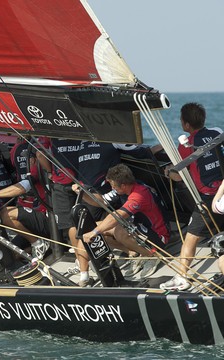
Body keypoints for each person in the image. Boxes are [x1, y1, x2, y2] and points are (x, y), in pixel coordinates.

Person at [161, 102, 224, 291]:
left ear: (186, 125)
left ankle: (182, 277)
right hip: (222, 193)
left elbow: (179, 175)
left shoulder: (185, 147)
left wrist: (167, 173)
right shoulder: (216, 131)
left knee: (190, 237)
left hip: (207, 199)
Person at [75, 164, 170, 287]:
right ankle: (84, 278)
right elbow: (101, 201)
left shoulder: (140, 194)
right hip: (138, 229)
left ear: (123, 185)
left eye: (113, 185)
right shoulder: (122, 190)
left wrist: (94, 233)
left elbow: (118, 215)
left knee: (119, 230)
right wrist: (83, 192)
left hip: (158, 236)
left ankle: (152, 255)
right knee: (88, 228)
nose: (112, 188)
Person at [37, 138, 81, 254]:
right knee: (85, 217)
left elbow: (40, 154)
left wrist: (49, 172)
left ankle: (81, 258)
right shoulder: (78, 124)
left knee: (69, 223)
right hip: (83, 178)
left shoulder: (49, 130)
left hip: (62, 182)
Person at [0, 178, 50, 260]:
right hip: (34, 219)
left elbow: (20, 189)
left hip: (47, 219)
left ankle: (38, 244)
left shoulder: (36, 168)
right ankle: (37, 247)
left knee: (5, 214)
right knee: (8, 255)